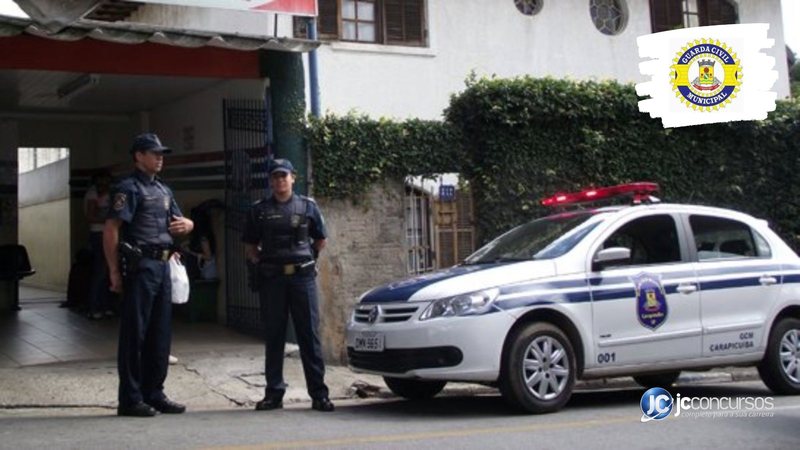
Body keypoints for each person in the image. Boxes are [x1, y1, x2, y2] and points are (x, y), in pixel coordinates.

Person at [103, 133, 194, 418]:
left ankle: (154, 392)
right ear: (139, 156)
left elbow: (179, 223)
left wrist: (189, 225)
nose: (160, 157)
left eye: (161, 153)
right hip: (140, 267)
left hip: (163, 266)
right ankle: (130, 399)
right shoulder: (127, 188)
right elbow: (111, 229)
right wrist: (114, 270)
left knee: (160, 334)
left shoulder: (165, 191)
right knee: (135, 334)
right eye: (154, 153)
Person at [242, 158, 334, 412]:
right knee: (274, 336)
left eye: (284, 176)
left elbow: (321, 239)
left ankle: (319, 394)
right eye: (275, 177)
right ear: (270, 181)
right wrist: (260, 263)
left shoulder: (307, 207)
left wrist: (306, 260)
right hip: (272, 279)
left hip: (302, 278)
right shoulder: (258, 210)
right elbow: (250, 245)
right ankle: (274, 393)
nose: (279, 180)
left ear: (293, 178)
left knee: (309, 336)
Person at [84, 170, 114, 320]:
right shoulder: (92, 194)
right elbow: (90, 217)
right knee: (100, 271)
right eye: (101, 181)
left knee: (110, 271)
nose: (104, 184)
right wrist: (110, 221)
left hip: (110, 234)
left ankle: (106, 305)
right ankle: (94, 306)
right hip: (98, 234)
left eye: (106, 181)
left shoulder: (113, 194)